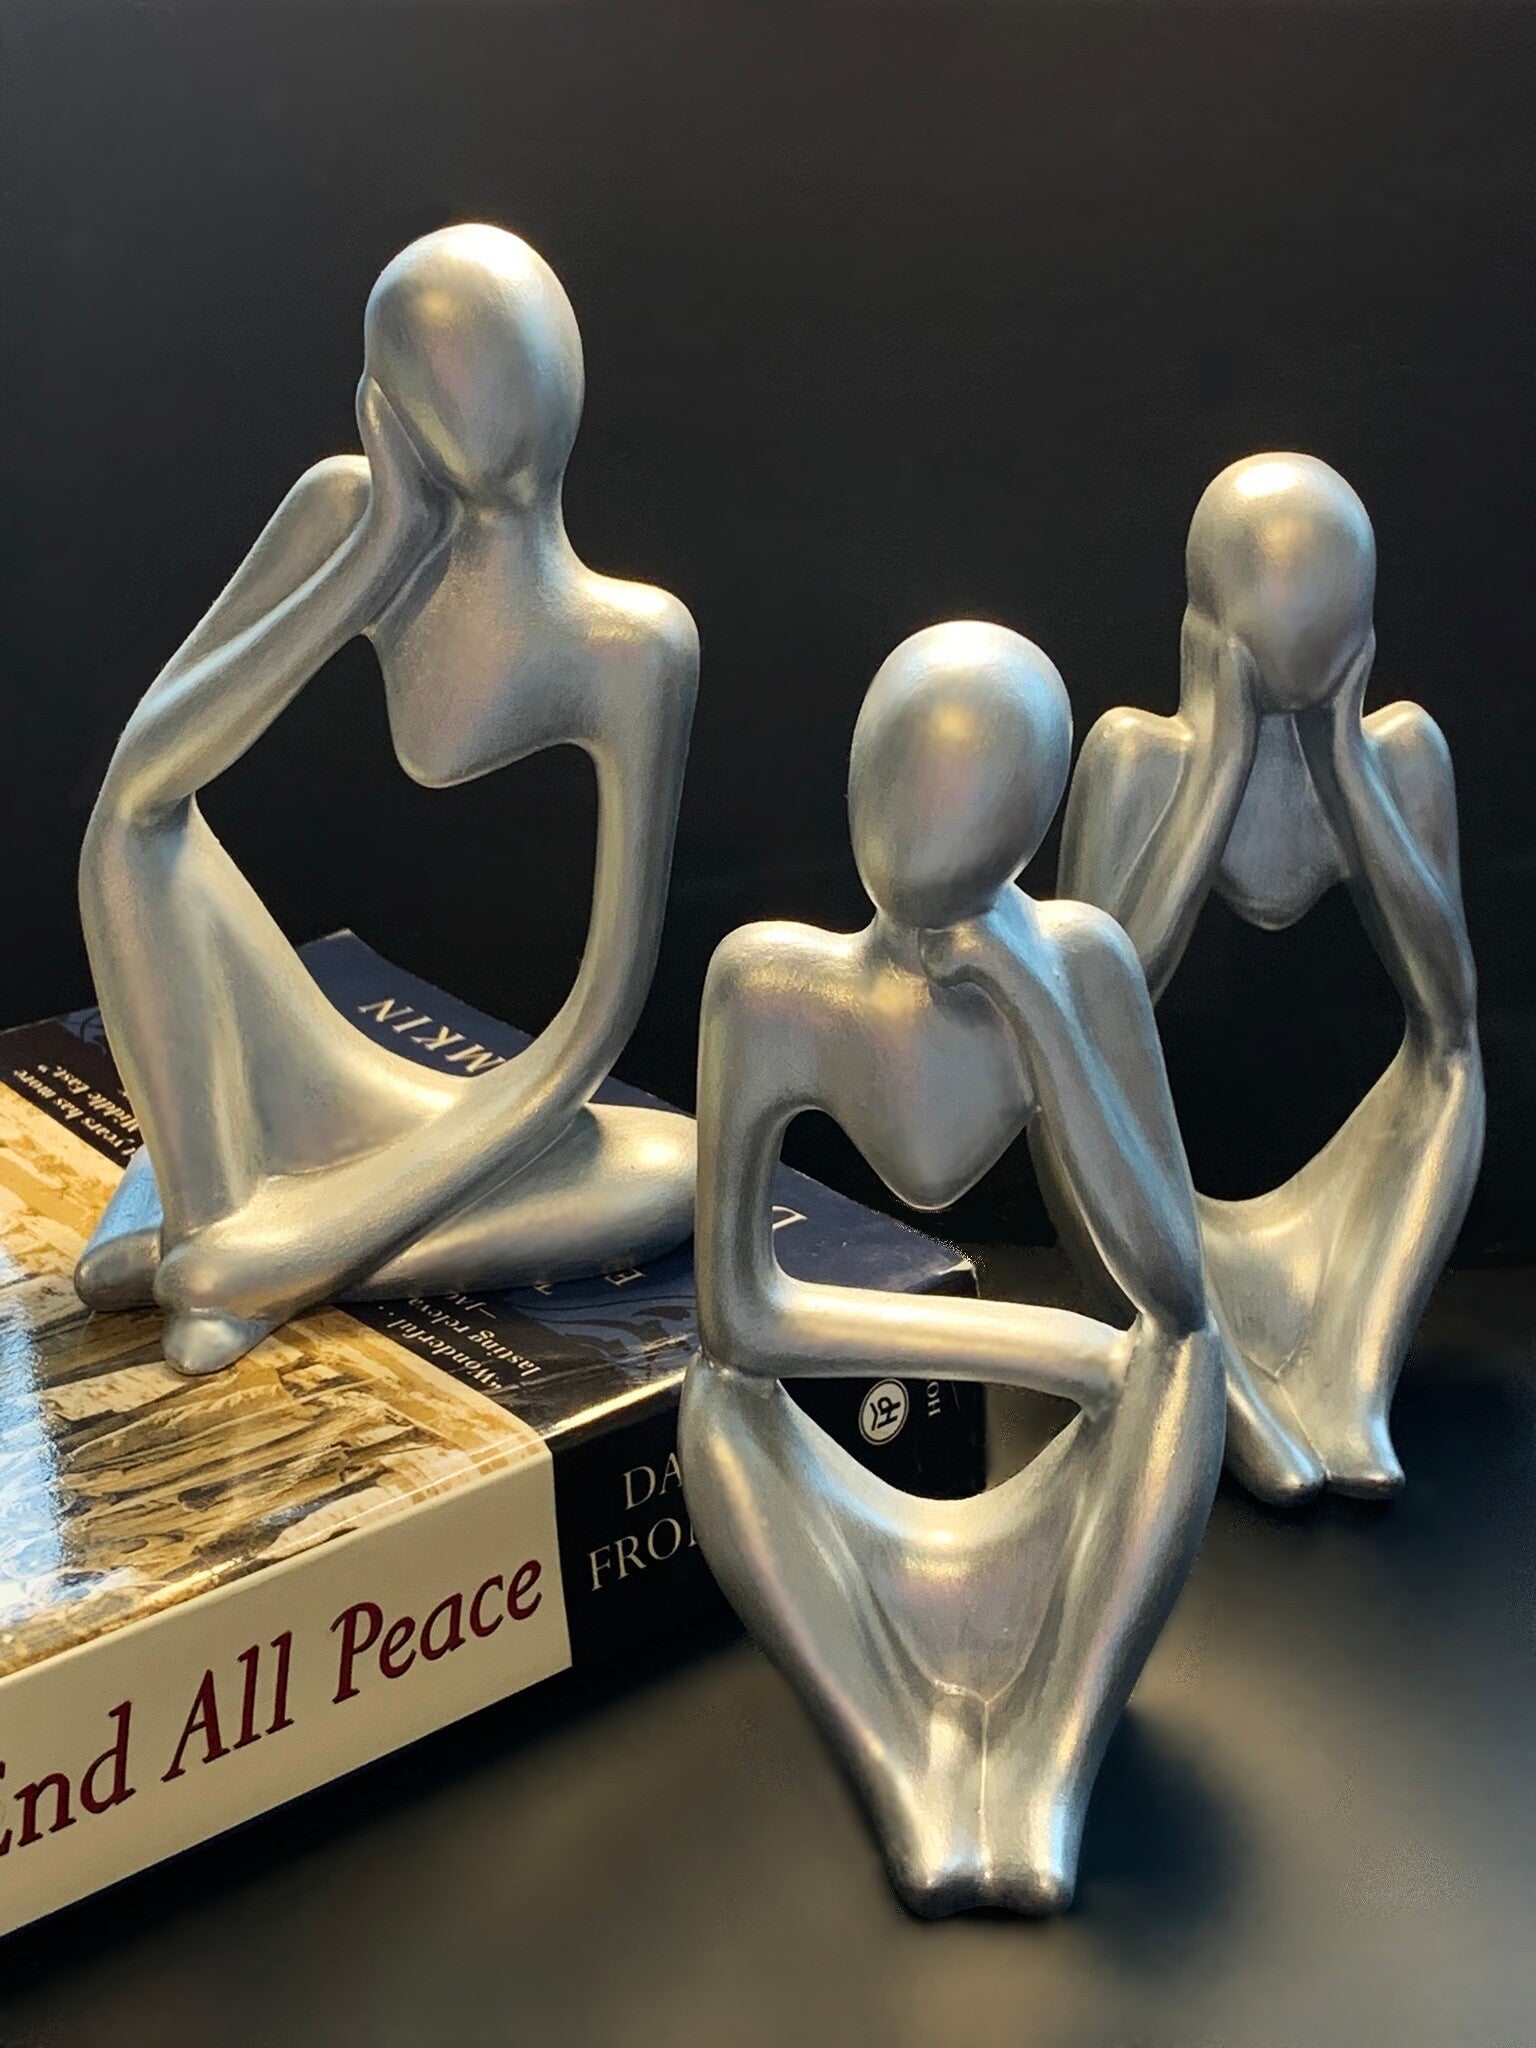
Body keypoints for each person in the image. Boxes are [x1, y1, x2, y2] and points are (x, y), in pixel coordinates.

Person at [75, 225, 699, 1376]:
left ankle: (227, 1251)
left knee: (680, 1168)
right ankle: (218, 1231)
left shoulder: (633, 645)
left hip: (472, 1117)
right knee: (133, 839)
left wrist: (348, 1220)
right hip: (297, 1075)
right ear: (382, 407)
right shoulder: (338, 514)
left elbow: (588, 1031)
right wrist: (377, 552)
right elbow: (140, 789)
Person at [679, 622, 1224, 1916]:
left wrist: (1038, 1011)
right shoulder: (769, 985)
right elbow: (738, 1317)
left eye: (968, 812)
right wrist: (1059, 1351)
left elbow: (1176, 1292)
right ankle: (900, 1764)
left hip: (1073, 1510)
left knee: (1186, 1374)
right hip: (851, 1522)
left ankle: (1050, 1760)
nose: (923, 843)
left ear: (1025, 826)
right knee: (715, 1406)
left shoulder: (1083, 965)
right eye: (904, 791)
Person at [1060, 453, 1484, 1501]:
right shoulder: (1137, 759)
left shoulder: (1402, 755)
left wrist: (1342, 760)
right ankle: (1224, 1384)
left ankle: (1351, 1385)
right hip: (1171, 1238)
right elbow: (1093, 1019)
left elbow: (1448, 1013)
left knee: (1453, 1069)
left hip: (1335, 1245)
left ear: (1363, 635)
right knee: (1072, 1091)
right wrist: (1218, 767)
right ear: (1204, 635)